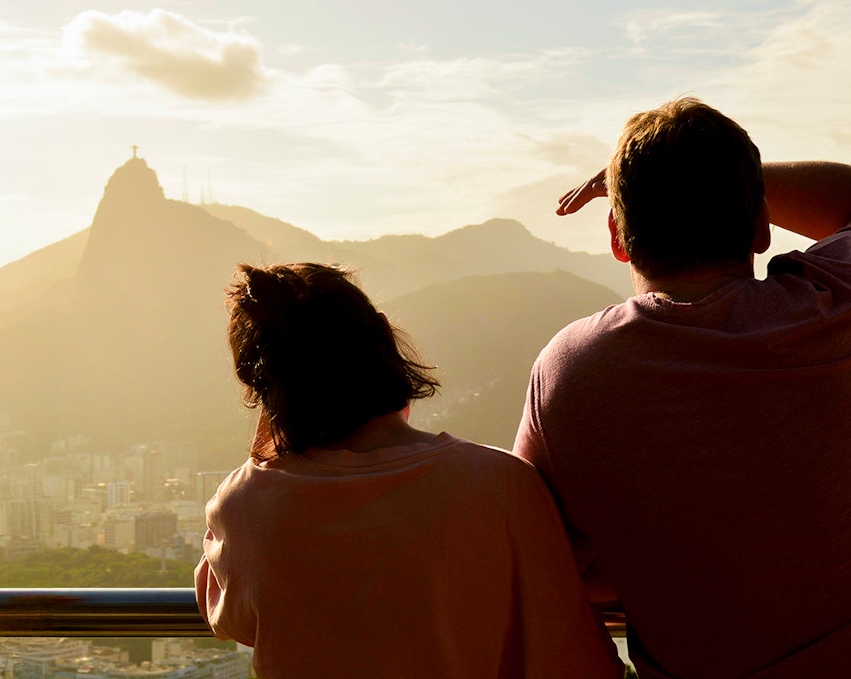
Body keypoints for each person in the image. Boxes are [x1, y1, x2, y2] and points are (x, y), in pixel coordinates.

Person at [515, 96, 851, 677]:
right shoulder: (848, 302)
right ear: (760, 226)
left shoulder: (572, 372)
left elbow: (541, 556)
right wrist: (728, 179)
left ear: (619, 238)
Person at [196, 262, 621, 679]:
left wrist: (268, 437)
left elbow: (230, 618)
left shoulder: (246, 505)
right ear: (382, 333)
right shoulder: (500, 485)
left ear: (260, 384)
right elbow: (577, 659)